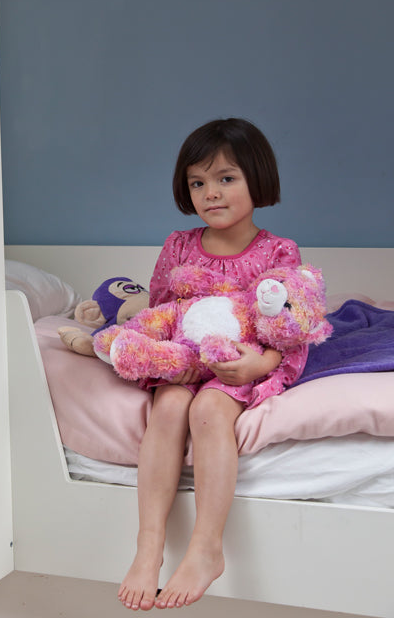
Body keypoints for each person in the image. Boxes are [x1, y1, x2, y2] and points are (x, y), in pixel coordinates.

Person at [119, 117, 304, 612]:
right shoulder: (178, 245)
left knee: (207, 412)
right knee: (170, 407)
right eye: (197, 183)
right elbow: (161, 313)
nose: (211, 193)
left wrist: (258, 365)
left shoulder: (277, 251)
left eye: (226, 178)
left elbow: (292, 330)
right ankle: (149, 543)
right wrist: (166, 363)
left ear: (256, 178)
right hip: (187, 358)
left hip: (237, 363)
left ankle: (206, 548)